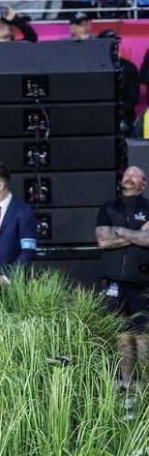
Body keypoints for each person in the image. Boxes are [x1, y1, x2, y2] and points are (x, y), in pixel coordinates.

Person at [96, 166, 149, 398]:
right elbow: (104, 242)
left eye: (134, 175)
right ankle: (126, 383)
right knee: (120, 333)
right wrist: (136, 233)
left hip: (143, 282)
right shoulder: (109, 207)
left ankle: (145, 382)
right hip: (114, 282)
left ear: (144, 183)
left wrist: (118, 232)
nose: (128, 177)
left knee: (143, 333)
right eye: (126, 174)